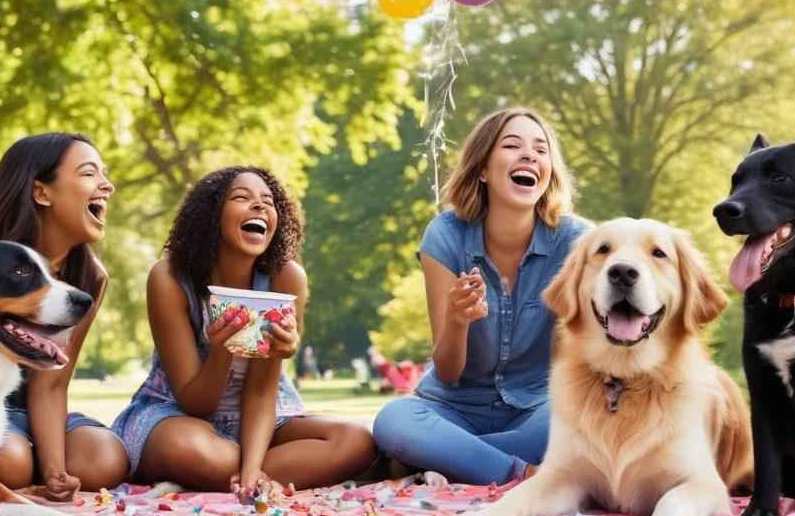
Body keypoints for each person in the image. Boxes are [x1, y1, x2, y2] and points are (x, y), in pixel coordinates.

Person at [112, 166, 377, 494]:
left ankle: (236, 477)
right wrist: (223, 349)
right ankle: (239, 472)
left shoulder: (286, 278)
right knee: (189, 448)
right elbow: (196, 403)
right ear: (211, 216)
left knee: (356, 441)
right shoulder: (169, 278)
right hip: (178, 415)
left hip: (264, 419)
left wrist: (252, 465)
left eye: (268, 201)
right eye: (242, 197)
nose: (260, 206)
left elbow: (261, 393)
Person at [372, 107, 589, 485]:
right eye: (512, 145)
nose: (529, 155)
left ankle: (449, 457)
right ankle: (517, 472)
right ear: (483, 169)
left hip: (535, 411)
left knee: (584, 414)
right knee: (395, 421)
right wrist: (457, 320)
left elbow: (568, 368)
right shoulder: (446, 235)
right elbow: (449, 370)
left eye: (541, 150)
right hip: (450, 407)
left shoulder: (577, 242)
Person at [0, 133, 129, 498]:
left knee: (104, 459)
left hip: (38, 415)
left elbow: (53, 383)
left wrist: (54, 472)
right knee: (9, 462)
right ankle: (11, 467)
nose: (107, 186)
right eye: (90, 173)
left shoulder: (90, 277)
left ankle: (28, 465)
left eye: (104, 174)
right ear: (42, 193)